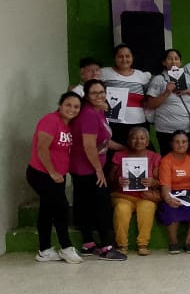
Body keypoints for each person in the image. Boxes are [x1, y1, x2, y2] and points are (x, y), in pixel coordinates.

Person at [69, 79, 127, 260]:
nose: (99, 96)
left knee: (86, 204)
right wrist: (99, 170)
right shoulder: (88, 114)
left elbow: (104, 140)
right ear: (87, 96)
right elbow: (89, 146)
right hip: (86, 168)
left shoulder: (99, 111)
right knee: (101, 206)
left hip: (91, 166)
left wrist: (124, 148)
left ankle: (88, 244)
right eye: (94, 93)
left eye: (102, 92)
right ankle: (107, 248)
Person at [29, 92, 83, 263]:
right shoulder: (51, 120)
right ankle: (66, 247)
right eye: (68, 105)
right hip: (42, 174)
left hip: (57, 176)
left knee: (47, 210)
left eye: (76, 106)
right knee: (61, 208)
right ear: (60, 105)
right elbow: (42, 149)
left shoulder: (69, 125)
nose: (72, 109)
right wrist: (52, 172)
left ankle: (44, 250)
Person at [110, 125, 161, 256]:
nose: (138, 141)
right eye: (134, 138)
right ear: (128, 141)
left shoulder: (154, 157)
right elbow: (110, 179)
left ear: (147, 142)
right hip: (123, 196)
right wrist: (118, 181)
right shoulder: (119, 155)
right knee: (121, 209)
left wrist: (153, 182)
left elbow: (160, 182)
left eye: (142, 138)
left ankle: (143, 245)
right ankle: (122, 245)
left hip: (145, 196)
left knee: (147, 208)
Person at [157, 130, 190, 254]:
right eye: (177, 142)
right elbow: (165, 186)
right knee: (171, 208)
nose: (181, 145)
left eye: (184, 142)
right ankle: (173, 243)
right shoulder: (166, 160)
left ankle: (188, 243)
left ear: (188, 143)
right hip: (174, 193)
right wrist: (168, 199)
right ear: (171, 144)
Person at [146, 48, 190, 154]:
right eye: (169, 59)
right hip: (165, 130)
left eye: (176, 59)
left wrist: (189, 91)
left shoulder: (188, 78)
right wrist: (166, 92)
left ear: (180, 62)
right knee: (167, 158)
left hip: (187, 129)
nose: (173, 62)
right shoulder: (159, 79)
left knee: (187, 158)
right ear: (164, 62)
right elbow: (151, 104)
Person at [100, 44, 151, 148]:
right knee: (115, 153)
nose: (124, 59)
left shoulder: (141, 76)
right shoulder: (104, 73)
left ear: (132, 58)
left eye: (127, 56)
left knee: (139, 153)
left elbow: (148, 97)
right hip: (113, 122)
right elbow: (94, 91)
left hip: (138, 122)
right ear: (115, 58)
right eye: (120, 56)